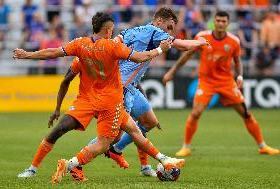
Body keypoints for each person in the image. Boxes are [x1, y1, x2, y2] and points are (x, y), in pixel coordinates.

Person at [14, 12, 186, 182]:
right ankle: (69, 165)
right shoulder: (113, 47)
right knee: (108, 142)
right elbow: (140, 57)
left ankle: (163, 160)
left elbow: (53, 53)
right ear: (109, 29)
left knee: (134, 130)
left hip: (91, 99)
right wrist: (159, 49)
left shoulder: (80, 44)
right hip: (110, 101)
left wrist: (27, 54)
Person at [87, 7, 209, 177]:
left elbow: (113, 47)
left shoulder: (131, 31)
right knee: (111, 137)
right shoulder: (154, 31)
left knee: (149, 121)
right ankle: (76, 162)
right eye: (169, 27)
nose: (169, 33)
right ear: (159, 21)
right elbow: (182, 45)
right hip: (121, 89)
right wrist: (200, 42)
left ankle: (120, 151)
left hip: (130, 87)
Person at [162, 11, 280, 157]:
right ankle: (186, 147)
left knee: (246, 114)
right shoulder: (203, 37)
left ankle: (262, 146)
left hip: (226, 82)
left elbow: (237, 61)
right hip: (206, 81)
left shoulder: (234, 41)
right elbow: (187, 55)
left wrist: (240, 75)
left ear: (228, 23)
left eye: (223, 21)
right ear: (214, 22)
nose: (220, 23)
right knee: (196, 112)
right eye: (218, 20)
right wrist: (171, 72)